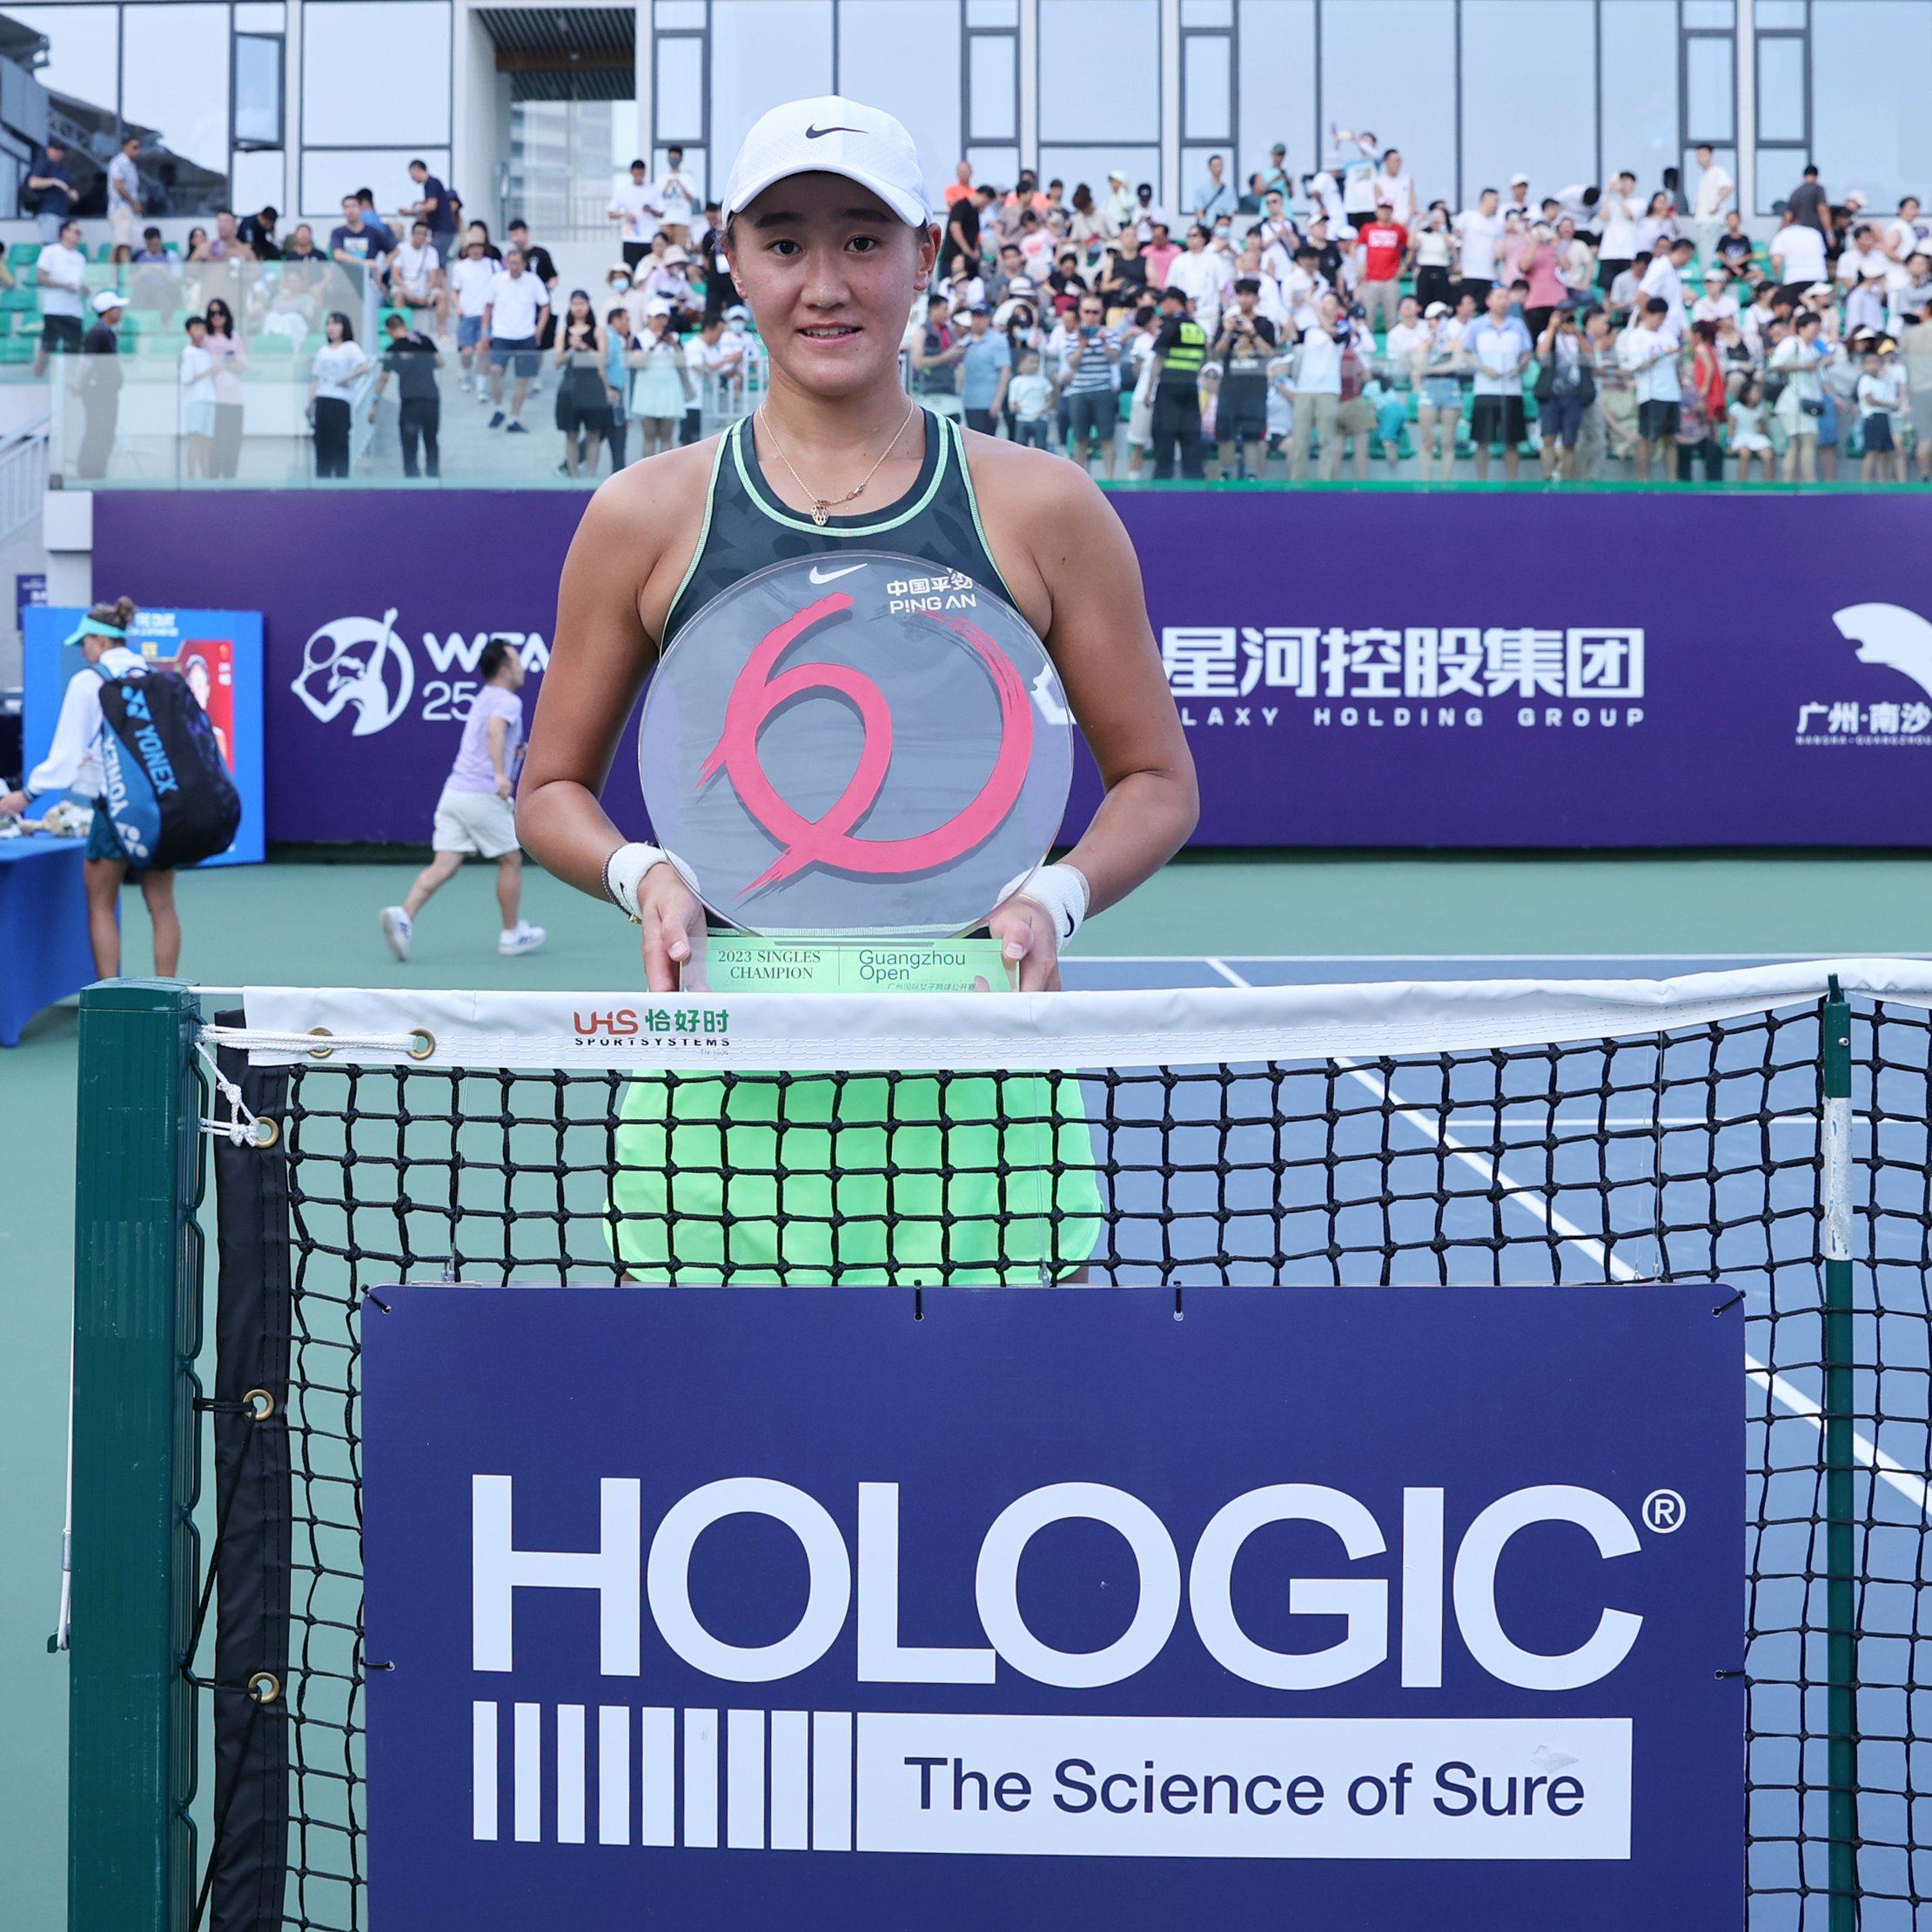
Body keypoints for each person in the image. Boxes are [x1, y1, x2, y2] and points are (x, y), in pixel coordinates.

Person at [517, 95, 1194, 1285]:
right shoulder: (641, 516)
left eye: (864, 240)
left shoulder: (1044, 507)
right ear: (732, 260)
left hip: (982, 1114)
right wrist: (646, 875)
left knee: (996, 1460)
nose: (823, 283)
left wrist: (1058, 900)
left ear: (927, 255)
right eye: (783, 243)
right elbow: (553, 790)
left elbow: (1156, 782)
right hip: (718, 1111)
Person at [0, 600, 179, 977]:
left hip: (113, 808)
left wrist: (25, 796)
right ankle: (170, 997)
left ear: (100, 639)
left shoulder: (88, 681)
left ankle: (108, 1004)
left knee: (100, 903)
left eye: (85, 642)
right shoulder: (157, 677)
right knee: (162, 906)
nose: (83, 651)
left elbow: (65, 758)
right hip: (162, 810)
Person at [380, 638, 544, 961]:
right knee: (511, 859)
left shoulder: (484, 698)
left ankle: (404, 916)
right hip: (481, 794)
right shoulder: (508, 701)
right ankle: (512, 934)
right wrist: (500, 775)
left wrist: (515, 752)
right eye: (517, 660)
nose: (523, 667)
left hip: (454, 794)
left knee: (445, 865)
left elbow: (496, 736)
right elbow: (495, 732)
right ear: (505, 668)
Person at [1464, 284, 1533, 480]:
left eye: (1506, 297)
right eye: (1499, 297)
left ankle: (1512, 482)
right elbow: (1468, 353)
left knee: (1512, 440)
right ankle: (1482, 483)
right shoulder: (1477, 325)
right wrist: (1483, 367)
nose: (1504, 301)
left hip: (1512, 389)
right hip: (1485, 389)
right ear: (1488, 301)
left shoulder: (1517, 325)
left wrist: (1519, 366)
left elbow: (1527, 353)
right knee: (1482, 439)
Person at [1211, 283, 1276, 479]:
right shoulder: (1228, 323)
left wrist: (1253, 333)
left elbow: (1268, 353)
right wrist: (1227, 333)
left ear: (1256, 298)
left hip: (1255, 389)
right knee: (1225, 434)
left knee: (1252, 436)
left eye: (1249, 295)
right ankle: (1225, 475)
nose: (1244, 299)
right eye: (1241, 295)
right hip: (1230, 388)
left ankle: (1252, 476)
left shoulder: (1265, 324)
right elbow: (1217, 355)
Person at [483, 246, 549, 433]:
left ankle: (514, 418)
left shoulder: (533, 281)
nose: (514, 266)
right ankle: (498, 408)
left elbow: (545, 305)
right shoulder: (497, 280)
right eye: (511, 262)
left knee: (522, 380)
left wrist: (539, 330)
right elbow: (488, 307)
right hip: (502, 335)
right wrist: (484, 332)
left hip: (525, 335)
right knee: (495, 371)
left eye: (517, 263)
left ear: (524, 264)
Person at [368, 311, 442, 478]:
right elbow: (441, 362)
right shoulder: (424, 340)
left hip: (410, 401)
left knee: (409, 444)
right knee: (431, 441)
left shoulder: (393, 349)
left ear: (389, 331)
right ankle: (433, 479)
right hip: (431, 398)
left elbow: (383, 379)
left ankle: (412, 481)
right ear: (404, 326)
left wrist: (374, 405)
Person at [1618, 295, 1683, 481]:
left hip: (1671, 392)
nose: (1660, 321)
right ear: (1647, 315)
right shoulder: (1637, 337)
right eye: (1657, 317)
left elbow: (1676, 363)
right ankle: (1644, 479)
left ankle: (1672, 479)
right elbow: (1636, 366)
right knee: (1648, 438)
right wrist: (1661, 355)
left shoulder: (1668, 334)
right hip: (1651, 393)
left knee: (1670, 438)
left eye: (1663, 318)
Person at [1149, 286, 1209, 478]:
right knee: (1191, 439)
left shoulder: (1171, 325)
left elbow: (1159, 358)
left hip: (1168, 388)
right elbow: (1202, 361)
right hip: (1190, 388)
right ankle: (1193, 486)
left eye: (1164, 301)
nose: (1161, 306)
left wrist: (1149, 390)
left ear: (1174, 301)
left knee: (1164, 438)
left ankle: (1162, 486)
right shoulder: (1198, 328)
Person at [1059, 292, 1120, 475]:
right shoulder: (1072, 336)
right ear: (1081, 312)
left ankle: (1110, 480)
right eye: (1087, 311)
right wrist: (1082, 346)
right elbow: (1072, 363)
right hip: (1078, 391)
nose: (1091, 316)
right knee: (1080, 439)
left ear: (1101, 313)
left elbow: (1114, 358)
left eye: (1095, 312)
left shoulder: (1110, 334)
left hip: (1103, 389)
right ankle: (1080, 482)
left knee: (1107, 438)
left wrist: (1103, 342)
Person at [1533, 304, 1593, 480]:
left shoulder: (1579, 338)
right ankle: (1547, 475)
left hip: (1573, 395)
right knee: (1548, 438)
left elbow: (1590, 357)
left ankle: (1565, 478)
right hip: (1551, 394)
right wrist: (1552, 328)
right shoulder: (1546, 336)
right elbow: (1542, 355)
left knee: (1569, 441)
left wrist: (1577, 333)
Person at [626, 303, 690, 459]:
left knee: (667, 436)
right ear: (649, 318)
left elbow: (682, 363)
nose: (660, 321)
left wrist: (675, 346)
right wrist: (654, 345)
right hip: (647, 389)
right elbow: (636, 362)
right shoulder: (640, 338)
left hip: (669, 389)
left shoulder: (674, 337)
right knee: (649, 435)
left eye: (663, 317)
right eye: (657, 317)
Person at [552, 291, 607, 478]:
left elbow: (603, 359)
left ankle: (591, 474)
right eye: (575, 304)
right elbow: (557, 361)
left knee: (593, 433)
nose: (578, 307)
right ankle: (572, 474)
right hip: (571, 386)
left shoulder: (597, 330)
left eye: (582, 303)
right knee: (571, 434)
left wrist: (585, 348)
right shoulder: (563, 333)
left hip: (592, 386)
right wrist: (571, 348)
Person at [308, 312, 366, 479]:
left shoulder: (350, 347)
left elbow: (363, 366)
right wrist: (311, 401)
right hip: (323, 399)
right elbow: (317, 377)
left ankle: (341, 481)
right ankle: (322, 482)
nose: (331, 328)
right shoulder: (323, 350)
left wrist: (346, 378)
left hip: (340, 400)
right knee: (322, 443)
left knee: (339, 442)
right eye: (328, 324)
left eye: (335, 324)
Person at [75, 292, 125, 481]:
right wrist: (79, 383)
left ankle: (98, 471)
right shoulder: (98, 333)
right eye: (117, 309)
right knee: (98, 431)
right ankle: (90, 472)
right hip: (99, 393)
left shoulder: (106, 332)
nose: (120, 312)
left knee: (105, 432)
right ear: (108, 311)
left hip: (107, 392)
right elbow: (87, 362)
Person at [200, 296, 247, 478]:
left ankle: (230, 475)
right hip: (214, 396)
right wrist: (225, 363)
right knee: (216, 440)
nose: (216, 317)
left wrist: (224, 364)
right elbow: (206, 367)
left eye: (220, 313)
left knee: (233, 439)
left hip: (234, 396)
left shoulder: (234, 336)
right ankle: (213, 475)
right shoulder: (205, 338)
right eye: (212, 314)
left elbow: (241, 366)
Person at [33, 216, 86, 376]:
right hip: (55, 308)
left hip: (74, 310)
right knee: (47, 346)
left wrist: (83, 289)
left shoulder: (80, 258)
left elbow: (81, 282)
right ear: (65, 232)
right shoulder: (50, 252)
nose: (78, 235)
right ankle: (37, 378)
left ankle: (69, 384)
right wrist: (63, 285)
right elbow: (41, 277)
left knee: (74, 350)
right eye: (76, 231)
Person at [391, 218, 446, 335]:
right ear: (412, 234)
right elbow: (395, 275)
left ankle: (442, 332)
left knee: (441, 295)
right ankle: (400, 332)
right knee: (398, 294)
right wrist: (408, 291)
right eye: (418, 233)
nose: (421, 236)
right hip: (405, 285)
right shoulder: (402, 248)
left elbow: (433, 276)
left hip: (423, 286)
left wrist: (425, 292)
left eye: (424, 234)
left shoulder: (431, 252)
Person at [178, 312, 216, 480]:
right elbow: (186, 379)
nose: (200, 332)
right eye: (196, 329)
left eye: (202, 328)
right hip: (196, 400)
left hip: (210, 399)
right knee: (195, 440)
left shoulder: (207, 353)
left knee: (207, 443)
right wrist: (208, 372)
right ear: (189, 332)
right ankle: (191, 478)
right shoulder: (188, 352)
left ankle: (206, 478)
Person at [610, 157, 661, 269]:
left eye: (641, 174)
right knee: (630, 270)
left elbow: (662, 213)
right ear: (632, 173)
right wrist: (624, 214)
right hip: (630, 238)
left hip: (649, 238)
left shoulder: (653, 189)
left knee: (650, 270)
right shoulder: (623, 191)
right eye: (636, 174)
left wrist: (651, 210)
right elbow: (611, 213)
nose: (639, 177)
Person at [26, 138, 78, 245]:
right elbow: (33, 182)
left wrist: (71, 193)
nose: (59, 153)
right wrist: (54, 181)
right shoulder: (43, 164)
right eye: (56, 149)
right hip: (48, 211)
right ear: (49, 150)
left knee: (62, 246)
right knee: (50, 245)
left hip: (62, 212)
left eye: (61, 150)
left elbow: (68, 188)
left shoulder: (62, 169)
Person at [106, 133, 142, 249]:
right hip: (120, 208)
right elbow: (119, 186)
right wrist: (134, 202)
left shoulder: (131, 165)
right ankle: (125, 268)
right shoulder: (118, 162)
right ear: (125, 146)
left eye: (139, 148)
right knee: (123, 244)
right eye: (134, 147)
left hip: (129, 209)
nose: (138, 151)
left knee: (126, 243)